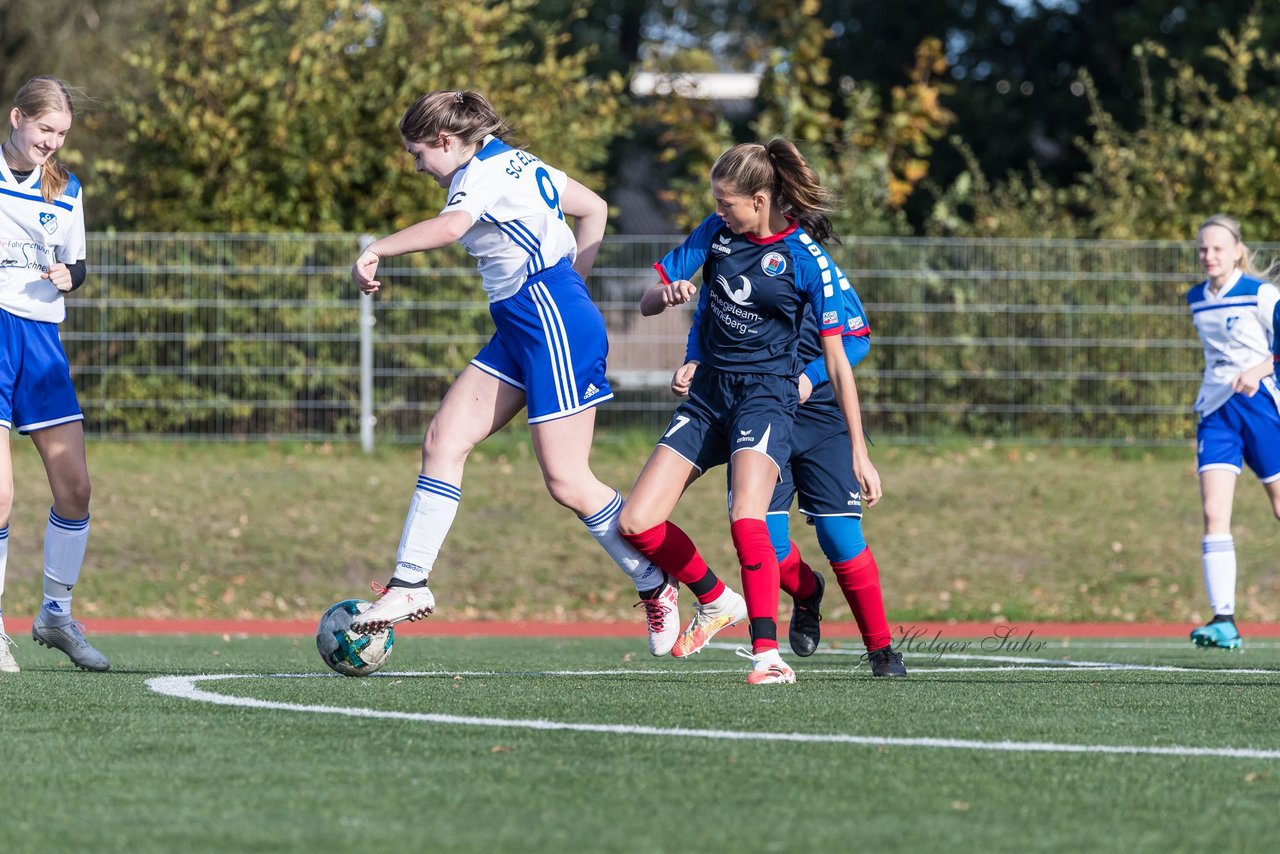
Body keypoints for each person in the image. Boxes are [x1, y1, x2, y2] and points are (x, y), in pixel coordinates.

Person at [346, 91, 676, 651]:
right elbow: (593, 206)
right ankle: (410, 583)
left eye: (417, 153)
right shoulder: (515, 160)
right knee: (444, 440)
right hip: (529, 320)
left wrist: (375, 249)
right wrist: (574, 282)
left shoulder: (481, 172)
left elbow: (451, 228)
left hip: (549, 318)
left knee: (567, 480)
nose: (418, 166)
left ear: (445, 141)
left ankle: (661, 579)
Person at [621, 139, 881, 685]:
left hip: (767, 397)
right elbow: (649, 298)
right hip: (710, 394)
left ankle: (768, 657)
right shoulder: (714, 234)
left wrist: (860, 449)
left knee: (748, 518)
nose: (718, 211)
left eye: (727, 202)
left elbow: (840, 358)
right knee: (636, 521)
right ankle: (715, 598)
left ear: (760, 200)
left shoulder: (807, 259)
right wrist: (663, 298)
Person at [0, 76, 108, 673]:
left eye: (62, 135)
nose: (53, 143)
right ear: (18, 118)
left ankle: (55, 615)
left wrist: (72, 276)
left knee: (75, 489)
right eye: (46, 130)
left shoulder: (65, 188)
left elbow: (79, 262)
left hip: (41, 338)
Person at [1185, 213, 1280, 650]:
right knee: (1213, 512)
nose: (1209, 255)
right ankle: (1224, 619)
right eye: (1203, 248)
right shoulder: (1196, 299)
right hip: (1217, 414)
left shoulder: (1261, 294)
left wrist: (1259, 370)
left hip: (1261, 409)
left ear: (1237, 251)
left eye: (1218, 248)